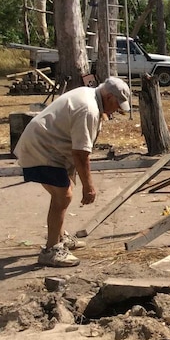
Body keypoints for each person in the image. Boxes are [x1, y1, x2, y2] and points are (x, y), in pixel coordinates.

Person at [14, 76, 132, 267]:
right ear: (109, 96)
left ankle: (59, 236)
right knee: (64, 195)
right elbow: (80, 154)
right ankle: (51, 250)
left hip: (49, 147)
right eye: (117, 104)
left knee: (63, 190)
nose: (117, 109)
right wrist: (89, 187)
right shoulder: (89, 109)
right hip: (42, 148)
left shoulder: (90, 95)